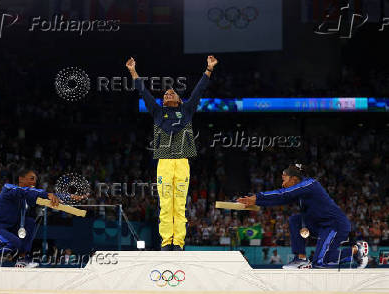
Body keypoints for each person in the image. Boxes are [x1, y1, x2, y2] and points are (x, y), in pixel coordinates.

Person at [126, 55, 218, 250]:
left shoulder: (187, 110)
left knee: (180, 205)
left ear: (179, 99)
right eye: (166, 93)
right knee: (166, 205)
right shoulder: (158, 112)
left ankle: (179, 243)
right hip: (165, 163)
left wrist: (209, 69)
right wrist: (133, 72)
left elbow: (199, 90)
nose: (168, 93)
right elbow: (144, 93)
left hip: (182, 163)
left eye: (172, 93)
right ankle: (167, 242)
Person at [237, 164, 369, 269]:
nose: (282, 184)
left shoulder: (309, 184)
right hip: (318, 225)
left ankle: (357, 250)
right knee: (295, 220)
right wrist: (255, 202)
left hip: (335, 225)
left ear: (294, 179)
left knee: (320, 262)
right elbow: (280, 199)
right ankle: (300, 259)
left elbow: (283, 194)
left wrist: (256, 198)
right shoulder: (299, 190)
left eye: (284, 180)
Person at [0, 169, 84, 267]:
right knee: (14, 243)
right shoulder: (8, 188)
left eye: (35, 180)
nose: (34, 182)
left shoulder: (25, 198)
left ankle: (22, 258)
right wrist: (48, 194)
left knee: (30, 222)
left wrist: (68, 197)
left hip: (5, 229)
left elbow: (41, 197)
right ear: (21, 179)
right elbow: (29, 192)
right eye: (31, 179)